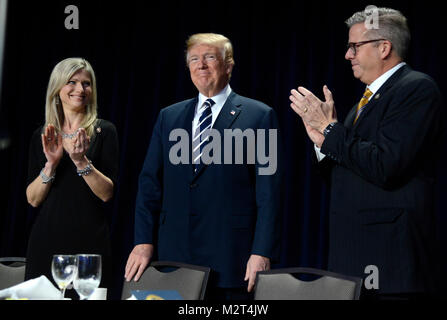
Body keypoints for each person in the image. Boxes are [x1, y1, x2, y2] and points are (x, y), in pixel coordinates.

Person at [289, 7, 444, 299]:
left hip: (389, 262)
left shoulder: (416, 89)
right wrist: (321, 139)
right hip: (353, 257)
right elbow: (348, 170)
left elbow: (385, 165)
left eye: (354, 46)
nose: (348, 55)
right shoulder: (365, 100)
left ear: (384, 47)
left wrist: (331, 131)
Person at [124, 33, 282, 300]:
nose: (201, 65)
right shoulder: (169, 117)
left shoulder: (260, 116)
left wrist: (261, 251)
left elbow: (270, 192)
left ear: (228, 66)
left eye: (210, 57)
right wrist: (143, 241)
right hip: (174, 254)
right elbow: (149, 184)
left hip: (232, 256)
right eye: (194, 59)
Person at [25, 58, 119, 296]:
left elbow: (107, 194)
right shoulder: (43, 135)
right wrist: (51, 164)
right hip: (46, 244)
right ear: (58, 88)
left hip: (89, 246)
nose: (80, 90)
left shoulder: (103, 131)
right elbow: (33, 199)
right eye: (72, 82)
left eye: (86, 84)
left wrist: (81, 161)